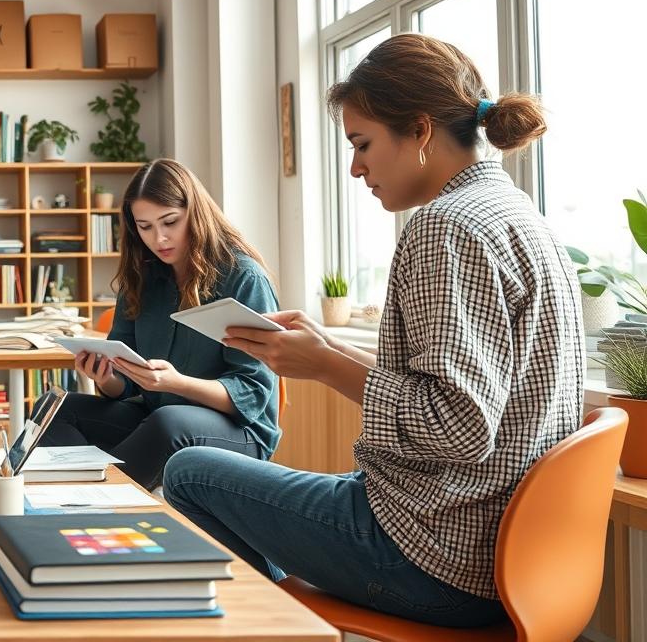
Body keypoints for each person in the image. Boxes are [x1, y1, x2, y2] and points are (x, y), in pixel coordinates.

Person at [165, 33, 583, 627]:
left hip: (435, 553)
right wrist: (326, 344)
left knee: (188, 472)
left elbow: (460, 427)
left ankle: (292, 630)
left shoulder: (445, 230)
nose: (356, 167)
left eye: (362, 144)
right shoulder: (515, 213)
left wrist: (325, 366)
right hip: (507, 554)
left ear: (419, 131)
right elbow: (467, 397)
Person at [36, 159, 279, 490]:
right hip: (157, 417)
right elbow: (126, 385)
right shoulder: (142, 278)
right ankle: (89, 490)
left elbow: (251, 394)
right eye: (145, 226)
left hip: (239, 431)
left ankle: (99, 498)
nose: (159, 238)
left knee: (168, 422)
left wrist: (176, 383)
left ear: (195, 213)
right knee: (55, 407)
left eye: (170, 222)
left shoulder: (242, 277)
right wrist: (106, 378)